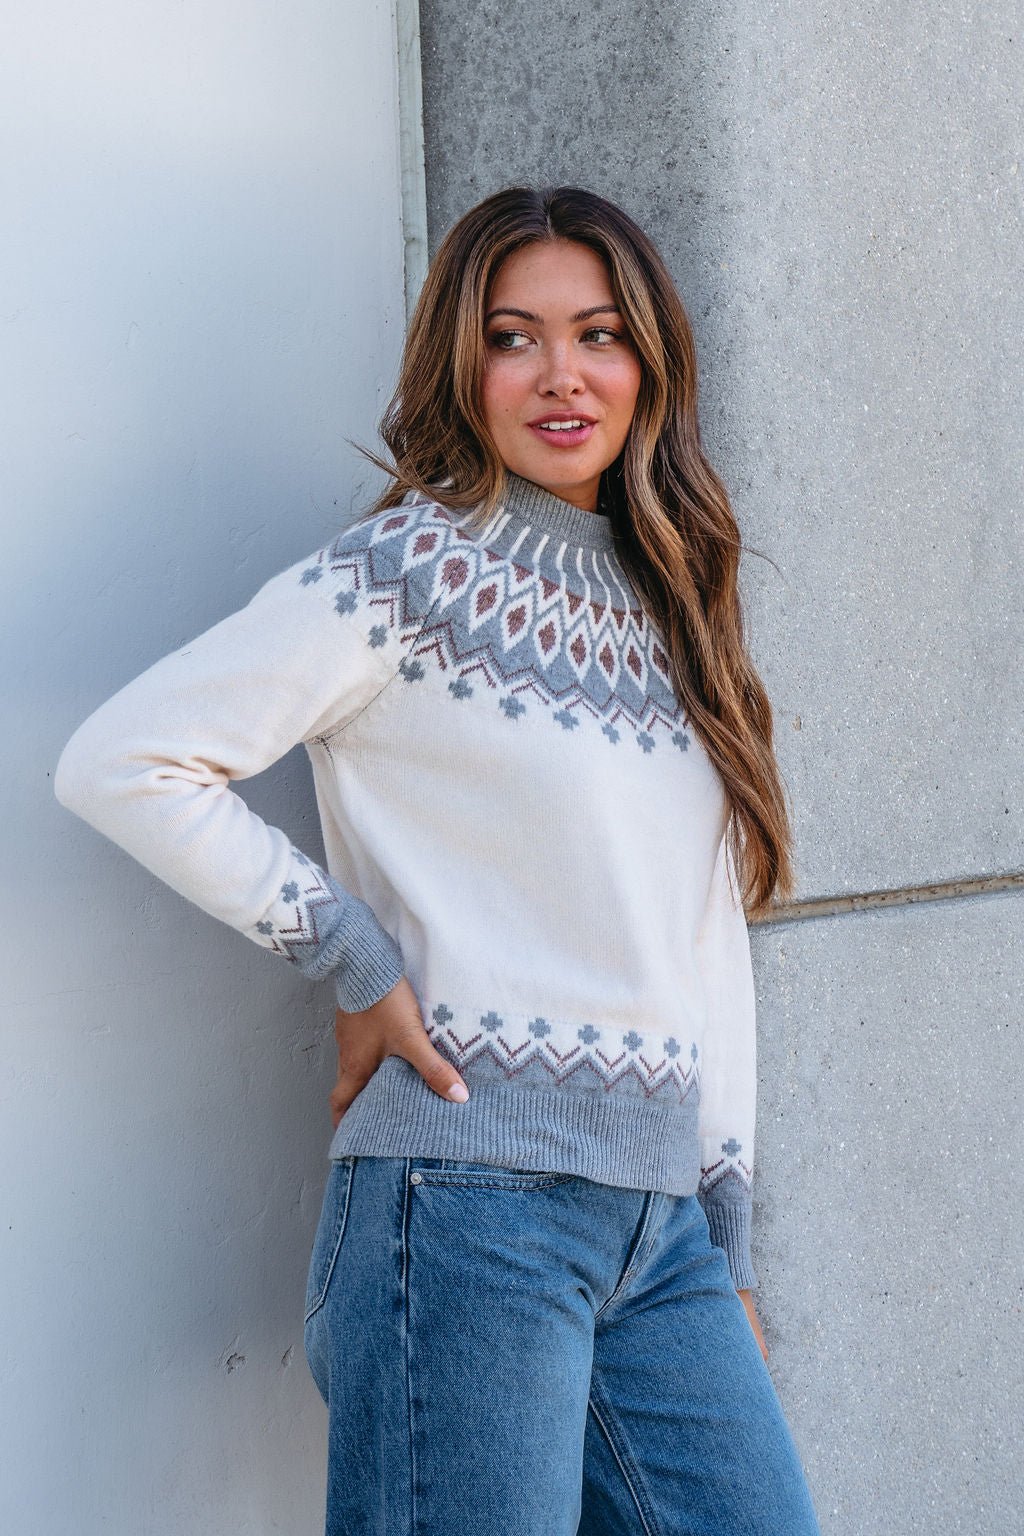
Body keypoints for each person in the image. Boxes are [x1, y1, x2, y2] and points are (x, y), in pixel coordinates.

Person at [54, 185, 821, 1535]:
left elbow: (704, 946)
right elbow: (126, 760)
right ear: (463, 364)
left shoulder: (675, 615)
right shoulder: (408, 575)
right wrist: (350, 956)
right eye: (514, 337)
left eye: (598, 334)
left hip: (660, 1237)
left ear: (651, 361)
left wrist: (727, 1239)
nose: (562, 373)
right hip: (466, 1213)